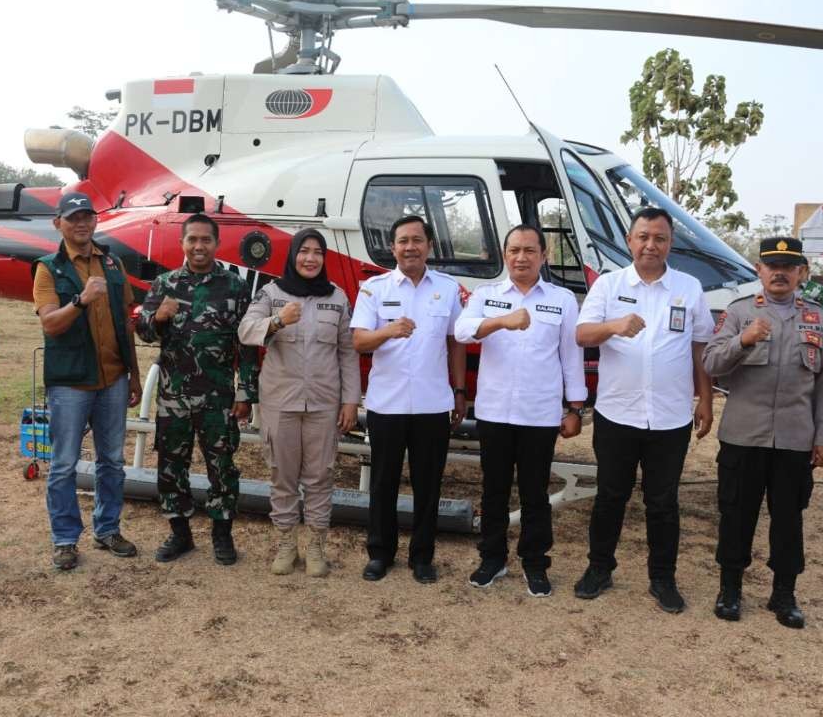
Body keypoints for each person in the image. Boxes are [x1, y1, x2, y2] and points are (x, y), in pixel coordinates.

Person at [572, 206, 715, 613]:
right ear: (630, 241)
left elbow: (699, 347)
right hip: (618, 413)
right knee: (610, 497)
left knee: (663, 502)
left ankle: (663, 578)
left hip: (670, 417)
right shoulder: (608, 285)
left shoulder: (688, 288)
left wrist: (704, 399)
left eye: (660, 238)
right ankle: (599, 568)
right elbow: (582, 334)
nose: (651, 245)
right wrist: (613, 326)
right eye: (643, 237)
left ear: (670, 243)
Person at [703, 237, 823, 628]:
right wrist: (743, 340)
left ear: (802, 273)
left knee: (789, 519)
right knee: (736, 515)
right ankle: (730, 590)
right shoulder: (739, 313)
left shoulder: (818, 319)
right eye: (771, 265)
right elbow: (711, 363)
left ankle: (784, 594)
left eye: (789, 266)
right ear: (759, 270)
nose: (779, 272)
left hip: (795, 439)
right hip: (744, 436)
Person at [454, 225, 587, 596]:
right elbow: (462, 331)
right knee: (494, 491)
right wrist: (501, 321)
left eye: (530, 250)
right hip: (495, 412)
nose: (521, 258)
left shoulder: (561, 300)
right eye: (514, 250)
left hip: (539, 414)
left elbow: (570, 358)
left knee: (534, 494)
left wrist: (575, 408)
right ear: (504, 254)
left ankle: (535, 563)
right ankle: (492, 559)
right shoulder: (487, 295)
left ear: (544, 255)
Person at [136, 213, 259, 566]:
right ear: (183, 243)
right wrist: (158, 316)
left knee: (222, 467)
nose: (199, 246)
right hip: (174, 397)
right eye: (192, 239)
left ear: (216, 244)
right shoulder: (165, 284)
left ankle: (222, 533)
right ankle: (180, 533)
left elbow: (248, 344)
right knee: (171, 466)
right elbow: (142, 331)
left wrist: (245, 392)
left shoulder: (234, 286)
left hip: (218, 397)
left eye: (206, 240)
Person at [351, 215, 467, 584]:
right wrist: (388, 330)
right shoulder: (374, 288)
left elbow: (455, 342)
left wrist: (460, 391)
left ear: (429, 246)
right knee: (382, 482)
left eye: (417, 240)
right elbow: (358, 341)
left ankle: (422, 557)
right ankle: (380, 554)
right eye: (403, 241)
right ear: (393, 247)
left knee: (428, 485)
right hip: (387, 404)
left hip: (433, 405)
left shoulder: (448, 290)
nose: (410, 247)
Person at [238, 228, 360, 577]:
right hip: (280, 402)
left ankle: (317, 546)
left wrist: (350, 401)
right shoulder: (272, 293)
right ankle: (286, 543)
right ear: (293, 256)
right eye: (303, 251)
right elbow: (245, 331)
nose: (310, 258)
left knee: (321, 476)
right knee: (283, 475)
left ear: (324, 258)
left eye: (317, 252)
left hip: (323, 403)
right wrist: (276, 321)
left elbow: (347, 353)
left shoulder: (336, 298)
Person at [32, 192, 143, 571]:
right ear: (58, 223)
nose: (81, 224)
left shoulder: (113, 263)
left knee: (111, 461)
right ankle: (65, 539)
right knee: (64, 464)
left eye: (87, 217)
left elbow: (126, 322)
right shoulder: (48, 268)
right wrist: (80, 301)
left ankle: (107, 528)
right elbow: (50, 323)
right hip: (70, 382)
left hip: (113, 377)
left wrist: (135, 375)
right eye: (72, 217)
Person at [799, 259, 823, 342]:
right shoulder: (784, 289)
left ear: (807, 270)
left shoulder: (818, 289)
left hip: (811, 334)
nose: (798, 271)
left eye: (801, 268)